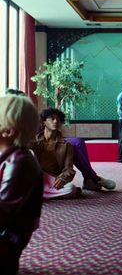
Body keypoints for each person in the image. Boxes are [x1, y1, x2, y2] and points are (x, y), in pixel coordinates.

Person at [6, 89, 115, 191]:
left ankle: (89, 178)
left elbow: (42, 132)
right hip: (32, 152)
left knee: (77, 142)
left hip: (47, 140)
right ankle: (92, 178)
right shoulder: (7, 120)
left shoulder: (30, 117)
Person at [0, 95, 43, 275]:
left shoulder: (19, 163)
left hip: (6, 241)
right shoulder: (9, 157)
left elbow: (3, 212)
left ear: (8, 131)